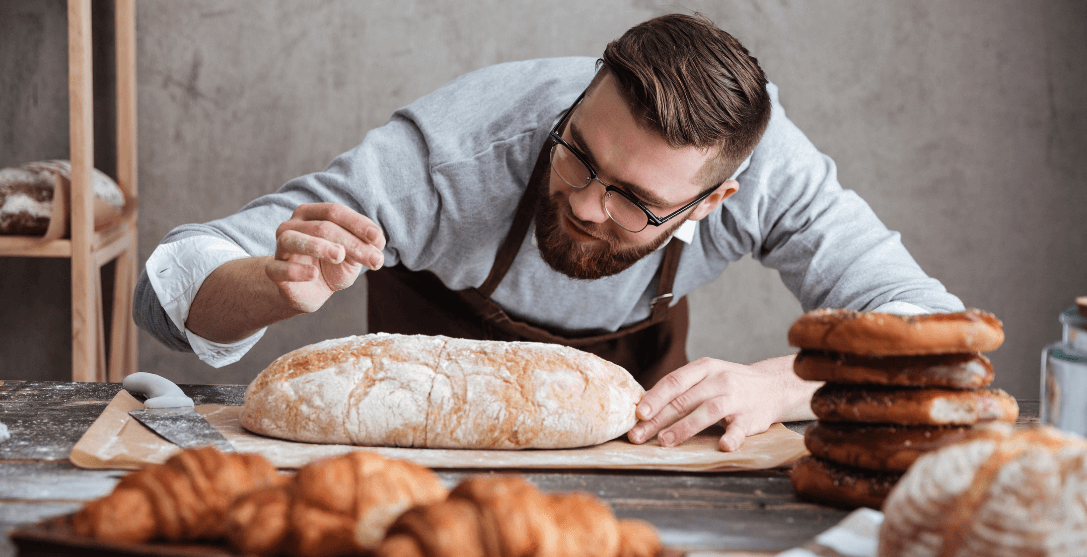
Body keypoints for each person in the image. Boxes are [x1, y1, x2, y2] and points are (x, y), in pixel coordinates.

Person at [134, 13, 963, 452]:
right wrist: (274, 288)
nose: (590, 205)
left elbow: (934, 332)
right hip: (421, 463)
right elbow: (165, 290)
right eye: (579, 156)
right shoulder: (453, 155)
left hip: (648, 463)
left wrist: (784, 387)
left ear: (716, 202)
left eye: (636, 199)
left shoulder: (775, 169)